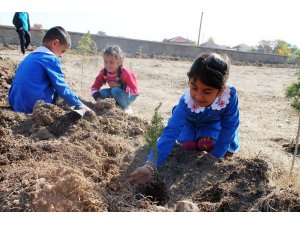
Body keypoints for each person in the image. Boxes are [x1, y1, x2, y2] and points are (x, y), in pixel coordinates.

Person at [128, 53, 240, 184]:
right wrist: (150, 165)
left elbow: (230, 126)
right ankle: (192, 140)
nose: (198, 96)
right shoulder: (186, 103)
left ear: (220, 91)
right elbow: (170, 133)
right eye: (194, 87)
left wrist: (215, 156)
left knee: (208, 144)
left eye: (207, 92)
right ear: (189, 82)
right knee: (187, 145)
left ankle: (208, 143)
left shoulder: (229, 97)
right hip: (191, 123)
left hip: (214, 124)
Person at [8, 26, 88, 117]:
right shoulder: (50, 59)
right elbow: (61, 87)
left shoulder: (30, 56)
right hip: (32, 108)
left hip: (15, 104)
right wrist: (78, 104)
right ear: (55, 43)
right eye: (63, 51)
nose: (61, 55)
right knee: (57, 83)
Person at [90, 45, 139, 114]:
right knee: (102, 93)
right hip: (116, 92)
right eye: (105, 62)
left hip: (129, 95)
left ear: (120, 62)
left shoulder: (126, 73)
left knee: (115, 90)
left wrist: (119, 85)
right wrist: (98, 99)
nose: (108, 65)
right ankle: (116, 106)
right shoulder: (104, 72)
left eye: (111, 62)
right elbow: (94, 87)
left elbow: (134, 91)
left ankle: (126, 106)